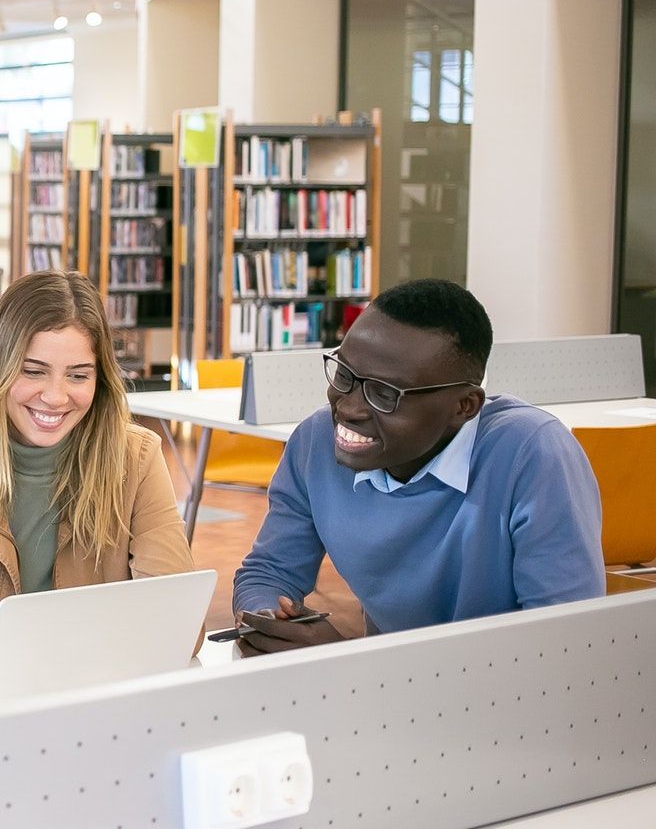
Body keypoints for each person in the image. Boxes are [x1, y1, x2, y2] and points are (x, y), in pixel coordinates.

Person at [232, 279, 606, 657]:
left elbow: (563, 648)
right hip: (391, 699)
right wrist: (268, 618)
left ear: (464, 406)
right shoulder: (316, 440)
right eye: (344, 374)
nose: (348, 408)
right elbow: (269, 571)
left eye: (384, 394)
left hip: (507, 703)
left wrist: (346, 660)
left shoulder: (533, 454)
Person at [0, 272, 195, 685]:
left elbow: (179, 628)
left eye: (78, 375)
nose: (56, 396)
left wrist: (20, 655)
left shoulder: (138, 459)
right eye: (33, 371)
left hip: (92, 703)